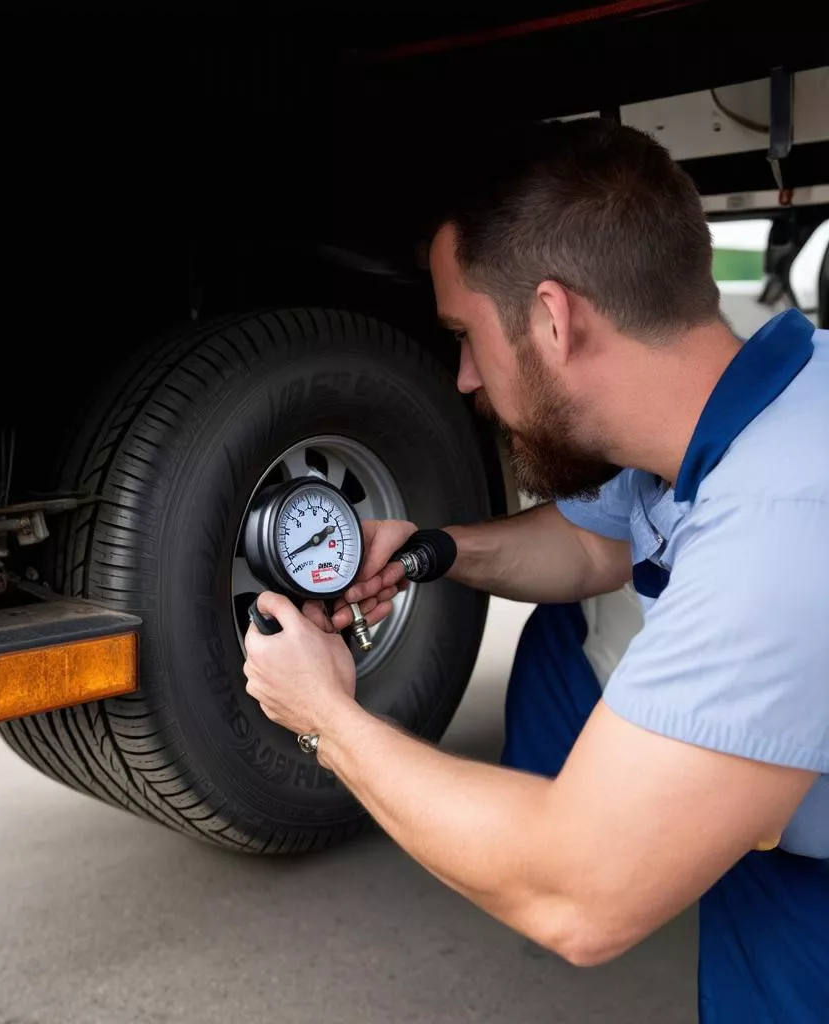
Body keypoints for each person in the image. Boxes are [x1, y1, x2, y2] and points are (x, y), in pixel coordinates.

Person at [241, 118, 829, 1021]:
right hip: (776, 846)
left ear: (555, 320)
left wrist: (324, 717)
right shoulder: (766, 402)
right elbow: (596, 543)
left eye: (466, 335)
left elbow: (580, 895)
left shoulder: (780, 524)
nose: (465, 377)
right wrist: (434, 551)